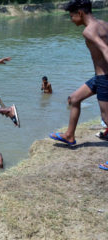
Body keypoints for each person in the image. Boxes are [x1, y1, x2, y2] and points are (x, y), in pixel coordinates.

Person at [50, 0, 108, 146]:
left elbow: (105, 49)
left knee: (106, 119)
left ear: (80, 13)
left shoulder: (88, 31)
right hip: (99, 77)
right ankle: (69, 135)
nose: (71, 20)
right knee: (74, 99)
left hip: (104, 78)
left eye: (71, 16)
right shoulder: (103, 24)